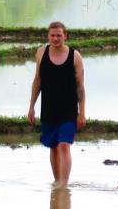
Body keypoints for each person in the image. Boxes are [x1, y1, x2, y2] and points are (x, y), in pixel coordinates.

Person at [27, 21, 86, 185]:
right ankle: (57, 182)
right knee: (53, 146)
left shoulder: (75, 56)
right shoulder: (41, 53)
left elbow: (80, 87)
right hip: (48, 108)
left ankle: (64, 185)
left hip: (68, 109)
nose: (55, 39)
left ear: (65, 36)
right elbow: (37, 81)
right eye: (52, 35)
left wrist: (82, 112)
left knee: (64, 145)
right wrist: (31, 107)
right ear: (48, 36)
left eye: (59, 35)